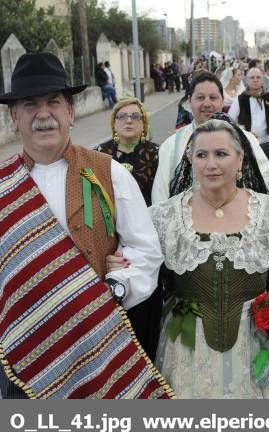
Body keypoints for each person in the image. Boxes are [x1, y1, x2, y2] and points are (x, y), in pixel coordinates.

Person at [0, 53, 171, 399]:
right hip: (23, 361)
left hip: (98, 349)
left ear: (71, 112)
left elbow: (145, 250)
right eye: (30, 104)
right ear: (14, 117)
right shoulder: (4, 184)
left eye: (54, 102)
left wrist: (118, 287)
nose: (43, 114)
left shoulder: (109, 172)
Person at [151, 119, 269, 398]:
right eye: (202, 155)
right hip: (187, 345)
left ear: (240, 159)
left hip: (256, 341)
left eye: (221, 154)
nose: (211, 164)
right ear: (190, 160)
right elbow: (147, 280)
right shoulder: (165, 217)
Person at [95, 98, 163, 361]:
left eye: (135, 117)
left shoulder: (155, 153)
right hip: (111, 243)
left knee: (146, 305)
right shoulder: (100, 155)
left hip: (147, 240)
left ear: (144, 123)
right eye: (122, 116)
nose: (129, 121)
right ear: (114, 122)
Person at [151, 71, 269, 204]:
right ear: (190, 101)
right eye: (200, 98)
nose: (207, 104)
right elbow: (160, 193)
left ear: (222, 100)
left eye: (213, 98)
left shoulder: (246, 140)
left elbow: (263, 178)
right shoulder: (171, 145)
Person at [228, 67, 269, 191]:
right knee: (250, 179)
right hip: (247, 145)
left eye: (258, 77)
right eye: (252, 77)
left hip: (268, 144)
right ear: (246, 80)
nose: (255, 80)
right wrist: (242, 133)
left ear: (262, 80)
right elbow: (230, 121)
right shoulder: (240, 99)